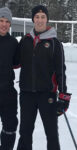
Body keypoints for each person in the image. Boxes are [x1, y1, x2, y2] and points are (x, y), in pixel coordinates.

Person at [17, 5, 71, 150]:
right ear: (33, 19)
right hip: (27, 94)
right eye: (37, 17)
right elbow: (15, 62)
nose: (40, 20)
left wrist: (64, 96)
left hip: (47, 95)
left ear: (47, 19)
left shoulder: (55, 43)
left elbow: (61, 71)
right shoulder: (25, 41)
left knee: (52, 134)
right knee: (25, 133)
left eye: (43, 17)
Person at [0, 7, 19, 150]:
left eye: (7, 21)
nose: (4, 24)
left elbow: (17, 63)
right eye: (1, 20)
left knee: (10, 126)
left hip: (7, 92)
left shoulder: (13, 43)